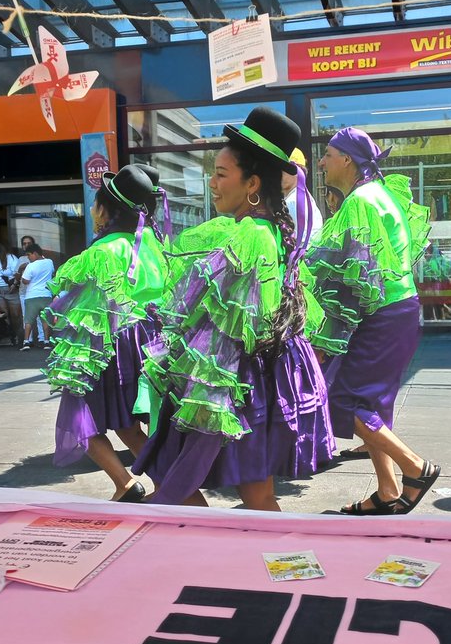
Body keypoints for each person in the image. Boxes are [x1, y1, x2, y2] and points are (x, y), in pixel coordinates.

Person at [134, 107, 334, 510]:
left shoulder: (250, 235)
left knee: (182, 477)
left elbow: (228, 321)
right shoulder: (270, 228)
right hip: (260, 374)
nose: (211, 183)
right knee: (252, 490)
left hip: (235, 376)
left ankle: (253, 559)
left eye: (221, 175)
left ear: (253, 183)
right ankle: (271, 563)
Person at [307, 126, 438, 514]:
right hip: (394, 309)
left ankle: (416, 468)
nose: (322, 162)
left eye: (328, 154)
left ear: (346, 159)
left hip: (382, 313)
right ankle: (386, 490)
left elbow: (355, 272)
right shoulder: (379, 193)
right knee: (371, 403)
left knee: (339, 401)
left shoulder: (361, 201)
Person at [46, 164, 168, 502]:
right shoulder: (153, 246)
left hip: (110, 340)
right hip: (149, 341)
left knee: (78, 417)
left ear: (106, 209)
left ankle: (124, 483)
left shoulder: (102, 251)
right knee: (128, 424)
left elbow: (78, 306)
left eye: (95, 203)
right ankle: (165, 481)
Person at [283, 148, 323, 246]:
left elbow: (300, 246)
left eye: (284, 169)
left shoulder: (293, 202)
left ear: (297, 173)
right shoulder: (303, 198)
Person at [19, 242, 54, 350]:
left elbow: (25, 281)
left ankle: (26, 342)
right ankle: (46, 342)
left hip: (32, 296)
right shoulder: (49, 262)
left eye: (29, 255)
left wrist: (22, 273)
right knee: (45, 319)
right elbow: (52, 274)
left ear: (35, 253)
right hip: (46, 295)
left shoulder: (30, 266)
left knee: (28, 320)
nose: (28, 258)